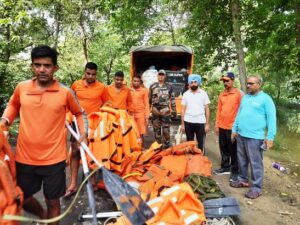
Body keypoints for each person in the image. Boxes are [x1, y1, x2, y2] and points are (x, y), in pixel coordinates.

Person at [0, 45, 87, 224]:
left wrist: (83, 133)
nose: (42, 69)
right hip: (24, 157)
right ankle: (42, 215)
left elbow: (79, 113)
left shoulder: (65, 92)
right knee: (22, 197)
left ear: (55, 68)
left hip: (54, 160)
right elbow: (13, 105)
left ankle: (50, 220)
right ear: (32, 66)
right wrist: (4, 121)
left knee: (53, 201)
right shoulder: (22, 88)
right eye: (37, 65)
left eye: (47, 65)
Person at [230, 75, 276, 199]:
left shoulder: (266, 99)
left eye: (251, 83)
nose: (248, 85)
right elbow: (239, 114)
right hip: (241, 135)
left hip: (256, 138)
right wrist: (234, 129)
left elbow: (272, 119)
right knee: (242, 160)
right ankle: (243, 179)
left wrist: (270, 137)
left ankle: (257, 188)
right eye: (247, 83)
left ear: (259, 84)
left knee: (256, 163)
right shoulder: (245, 98)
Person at [65, 62, 105, 198]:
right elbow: (69, 104)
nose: (90, 76)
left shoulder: (101, 87)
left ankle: (92, 180)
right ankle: (72, 184)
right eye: (88, 73)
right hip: (78, 121)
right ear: (84, 72)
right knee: (75, 150)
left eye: (93, 74)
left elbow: (106, 103)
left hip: (95, 123)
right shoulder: (76, 85)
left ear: (96, 74)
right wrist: (67, 118)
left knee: (92, 151)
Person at [214, 72, 243, 182]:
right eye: (224, 81)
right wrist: (217, 125)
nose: (225, 83)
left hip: (233, 128)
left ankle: (235, 171)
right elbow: (219, 110)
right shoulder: (222, 94)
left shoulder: (239, 94)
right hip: (222, 126)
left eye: (227, 81)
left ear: (232, 80)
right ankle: (225, 167)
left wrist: (238, 127)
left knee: (234, 150)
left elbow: (242, 111)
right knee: (223, 148)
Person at [181, 74, 210, 151]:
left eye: (195, 82)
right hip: (188, 121)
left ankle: (200, 159)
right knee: (189, 143)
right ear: (189, 83)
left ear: (198, 83)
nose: (193, 83)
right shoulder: (185, 94)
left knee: (200, 143)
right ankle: (190, 160)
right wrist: (183, 124)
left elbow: (207, 109)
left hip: (200, 122)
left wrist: (207, 124)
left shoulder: (203, 93)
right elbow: (183, 110)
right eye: (192, 82)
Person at [149, 69, 176, 149]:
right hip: (155, 110)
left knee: (166, 130)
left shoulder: (169, 86)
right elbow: (149, 99)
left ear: (165, 76)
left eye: (162, 75)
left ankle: (167, 146)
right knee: (156, 130)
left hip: (165, 110)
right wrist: (148, 111)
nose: (161, 76)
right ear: (157, 76)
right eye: (159, 74)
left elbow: (172, 99)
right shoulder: (152, 86)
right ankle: (158, 146)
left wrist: (174, 111)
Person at [130, 75, 150, 148]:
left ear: (140, 82)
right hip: (130, 114)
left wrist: (147, 116)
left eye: (138, 81)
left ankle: (140, 148)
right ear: (132, 81)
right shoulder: (128, 90)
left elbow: (146, 104)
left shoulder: (144, 91)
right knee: (131, 132)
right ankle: (132, 149)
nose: (136, 83)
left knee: (140, 132)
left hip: (140, 114)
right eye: (134, 81)